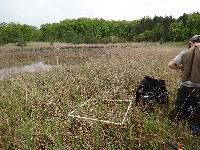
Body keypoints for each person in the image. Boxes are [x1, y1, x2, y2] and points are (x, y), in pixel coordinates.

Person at [168, 35, 200, 123]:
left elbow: (171, 65)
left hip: (184, 87)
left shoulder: (185, 53)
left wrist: (183, 67)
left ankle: (176, 123)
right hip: (198, 88)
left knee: (179, 109)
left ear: (191, 43)